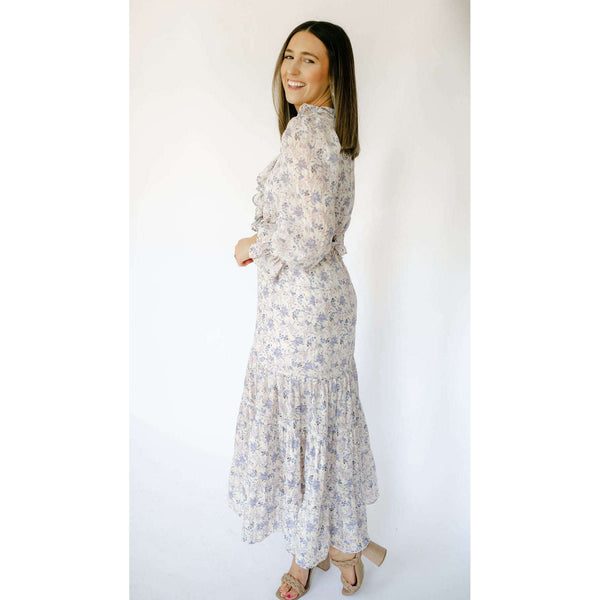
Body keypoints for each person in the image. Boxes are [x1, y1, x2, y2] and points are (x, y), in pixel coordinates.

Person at [229, 21, 387, 599]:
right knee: (316, 428)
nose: (292, 69)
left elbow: (310, 238)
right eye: (288, 56)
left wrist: (253, 243)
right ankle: (338, 544)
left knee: (302, 428)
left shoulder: (307, 134)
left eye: (309, 60)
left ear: (333, 73)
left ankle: (312, 555)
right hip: (316, 305)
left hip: (303, 307)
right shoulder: (327, 130)